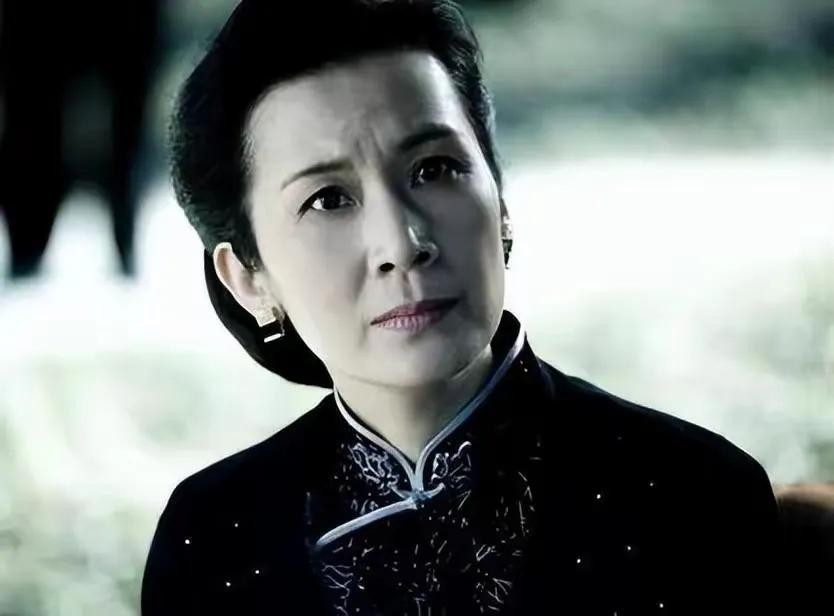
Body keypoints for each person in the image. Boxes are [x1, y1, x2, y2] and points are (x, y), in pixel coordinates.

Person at [141, 1, 786, 614]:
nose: (403, 244)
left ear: (500, 203)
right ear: (248, 279)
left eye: (434, 169)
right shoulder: (212, 540)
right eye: (328, 200)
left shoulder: (693, 495)